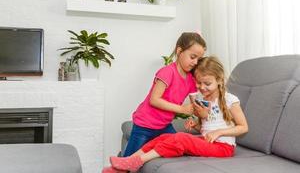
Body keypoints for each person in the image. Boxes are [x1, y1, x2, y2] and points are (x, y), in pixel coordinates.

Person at [102, 56, 248, 173]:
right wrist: (196, 125)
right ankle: (124, 165)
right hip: (208, 142)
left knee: (181, 138)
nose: (202, 88)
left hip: (223, 148)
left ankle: (137, 162)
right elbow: (208, 126)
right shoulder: (201, 99)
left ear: (219, 81)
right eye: (198, 83)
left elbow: (243, 127)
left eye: (207, 83)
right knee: (165, 137)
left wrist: (219, 132)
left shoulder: (230, 100)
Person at [123, 32, 207, 157]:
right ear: (179, 51)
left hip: (164, 126)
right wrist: (182, 109)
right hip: (144, 125)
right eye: (192, 57)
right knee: (128, 161)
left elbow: (195, 104)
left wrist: (200, 112)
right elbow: (154, 100)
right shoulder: (167, 72)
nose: (195, 62)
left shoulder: (191, 80)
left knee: (179, 147)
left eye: (198, 59)